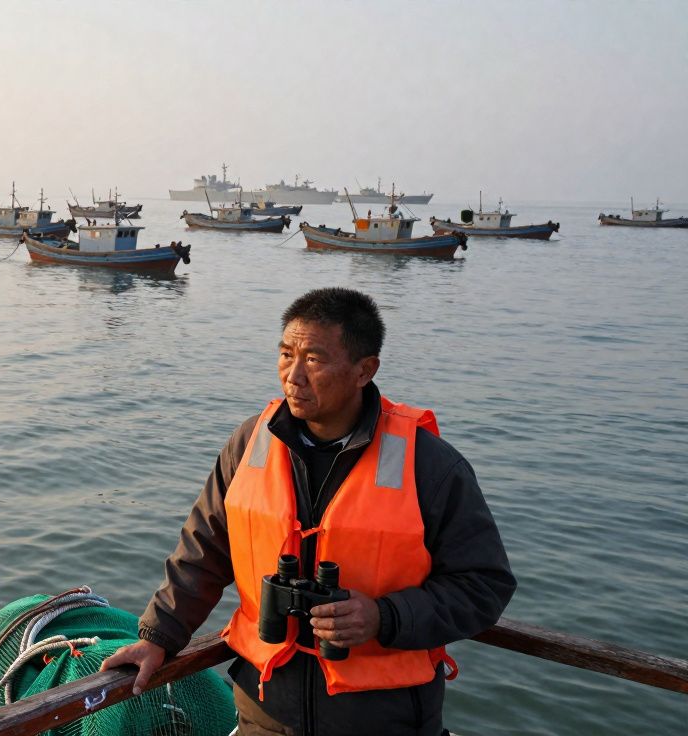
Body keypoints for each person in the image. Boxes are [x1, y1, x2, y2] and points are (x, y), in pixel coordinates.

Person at [102, 287, 515, 736]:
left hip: (384, 717)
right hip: (265, 709)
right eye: (285, 354)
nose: (293, 376)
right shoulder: (250, 443)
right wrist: (158, 638)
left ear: (364, 370)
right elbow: (204, 550)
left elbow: (484, 586)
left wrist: (384, 616)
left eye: (314, 360)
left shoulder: (428, 464)